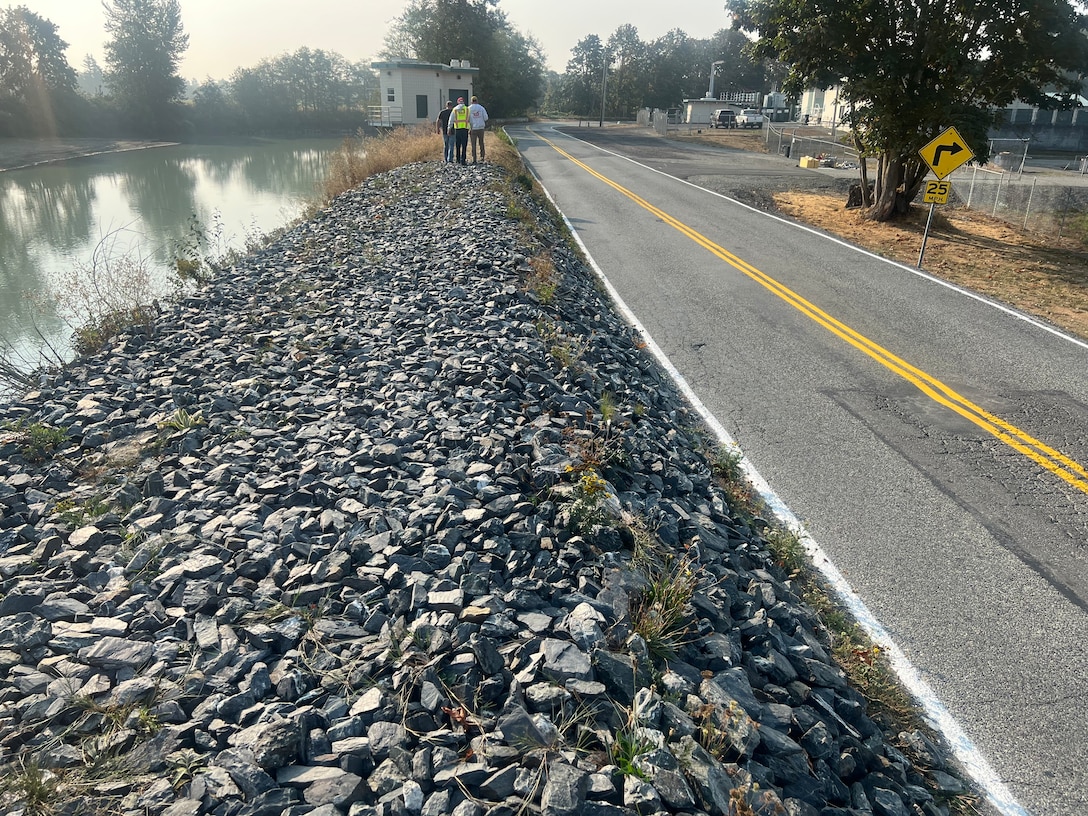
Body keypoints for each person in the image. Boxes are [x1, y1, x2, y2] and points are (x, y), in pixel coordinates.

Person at [467, 95, 488, 164]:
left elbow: (467, 119)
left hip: (473, 128)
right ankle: (482, 157)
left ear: (471, 101)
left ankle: (474, 159)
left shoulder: (469, 109)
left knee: (473, 144)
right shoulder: (481, 108)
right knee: (481, 143)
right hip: (481, 128)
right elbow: (486, 118)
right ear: (477, 101)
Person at [449, 97, 470, 165]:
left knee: (458, 145)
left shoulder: (455, 109)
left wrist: (449, 128)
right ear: (463, 102)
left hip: (457, 129)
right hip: (465, 129)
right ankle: (463, 160)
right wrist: (472, 128)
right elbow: (471, 119)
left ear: (458, 102)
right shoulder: (467, 109)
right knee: (464, 145)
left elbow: (451, 119)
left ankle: (458, 159)